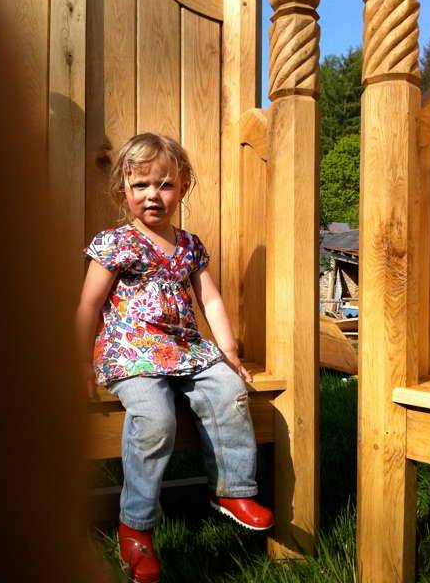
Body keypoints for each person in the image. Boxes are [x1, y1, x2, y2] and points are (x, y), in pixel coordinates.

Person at [76, 133, 273, 583]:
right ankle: (136, 529)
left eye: (164, 185)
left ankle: (231, 490)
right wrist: (82, 362)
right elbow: (88, 305)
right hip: (132, 353)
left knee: (229, 389)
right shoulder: (117, 243)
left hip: (185, 349)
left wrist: (228, 351)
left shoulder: (188, 246)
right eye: (141, 184)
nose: (153, 195)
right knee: (155, 419)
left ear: (183, 186)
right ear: (123, 190)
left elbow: (213, 301)